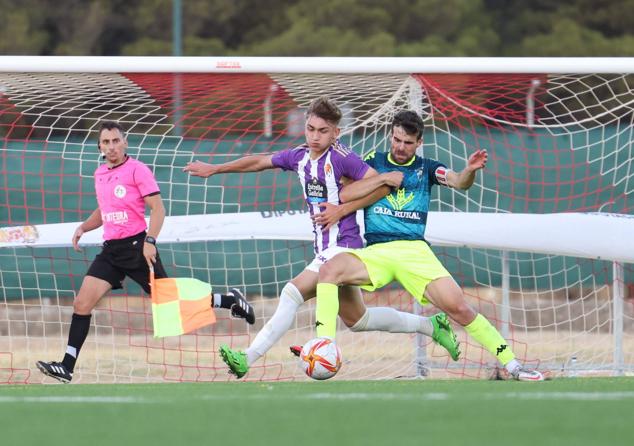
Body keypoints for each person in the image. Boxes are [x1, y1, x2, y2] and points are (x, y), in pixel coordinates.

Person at [184, 97, 460, 379]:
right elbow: (258, 161)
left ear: (335, 133)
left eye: (323, 131)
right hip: (324, 249)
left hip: (344, 246)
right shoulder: (299, 156)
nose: (315, 136)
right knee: (358, 320)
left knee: (291, 293)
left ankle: (247, 358)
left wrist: (342, 210)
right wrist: (216, 168)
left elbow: (384, 183)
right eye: (310, 129)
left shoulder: (343, 158)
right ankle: (431, 326)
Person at [312, 110, 545, 381]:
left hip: (415, 251)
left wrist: (469, 171)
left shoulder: (428, 168)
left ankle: (513, 365)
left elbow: (459, 182)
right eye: (396, 139)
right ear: (391, 135)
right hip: (377, 251)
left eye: (407, 142)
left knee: (459, 308)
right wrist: (373, 185)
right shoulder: (372, 162)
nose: (400, 147)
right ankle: (323, 346)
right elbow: (345, 193)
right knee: (329, 271)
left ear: (419, 142)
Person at [36, 121, 254, 384]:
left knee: (172, 303)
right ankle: (67, 366)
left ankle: (230, 301)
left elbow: (158, 209)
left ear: (125, 142)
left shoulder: (137, 170)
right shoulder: (100, 174)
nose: (112, 146)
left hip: (137, 248)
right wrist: (84, 227)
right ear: (100, 147)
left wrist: (150, 240)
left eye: (116, 141)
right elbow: (104, 210)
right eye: (106, 142)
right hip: (111, 252)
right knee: (82, 303)